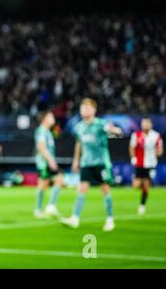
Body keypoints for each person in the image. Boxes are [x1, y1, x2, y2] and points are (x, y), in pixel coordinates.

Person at [60, 98, 122, 231]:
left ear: (94, 110)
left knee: (105, 189)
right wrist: (76, 160)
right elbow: (79, 143)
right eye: (82, 108)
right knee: (81, 189)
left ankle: (110, 219)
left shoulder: (101, 124)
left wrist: (116, 131)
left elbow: (113, 130)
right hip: (86, 163)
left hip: (101, 163)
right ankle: (75, 218)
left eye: (87, 108)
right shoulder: (79, 127)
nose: (84, 110)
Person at [129, 118, 163, 215]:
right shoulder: (136, 135)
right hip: (139, 164)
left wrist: (158, 152)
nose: (145, 125)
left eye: (147, 123)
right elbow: (132, 147)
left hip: (150, 164)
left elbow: (160, 149)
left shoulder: (156, 135)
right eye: (144, 123)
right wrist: (133, 158)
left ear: (151, 125)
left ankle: (142, 205)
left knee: (147, 185)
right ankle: (143, 187)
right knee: (135, 185)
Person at [34, 111, 64, 219]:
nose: (53, 118)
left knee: (50, 182)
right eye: (51, 116)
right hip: (44, 162)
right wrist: (50, 160)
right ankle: (43, 208)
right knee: (45, 183)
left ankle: (46, 207)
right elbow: (41, 147)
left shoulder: (47, 131)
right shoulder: (42, 131)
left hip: (46, 162)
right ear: (45, 118)